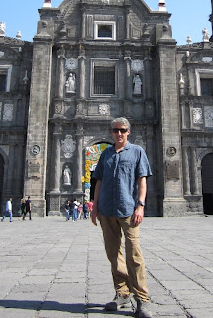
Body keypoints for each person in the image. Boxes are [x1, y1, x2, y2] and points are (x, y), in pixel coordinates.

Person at [91, 117, 153, 318]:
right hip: (106, 210)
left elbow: (141, 180)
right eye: (116, 130)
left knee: (134, 253)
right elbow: (98, 181)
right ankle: (122, 293)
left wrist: (140, 206)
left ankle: (142, 299)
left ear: (128, 132)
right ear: (112, 132)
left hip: (128, 210)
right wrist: (94, 207)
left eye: (123, 130)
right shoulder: (106, 154)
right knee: (113, 253)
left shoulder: (137, 152)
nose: (119, 133)